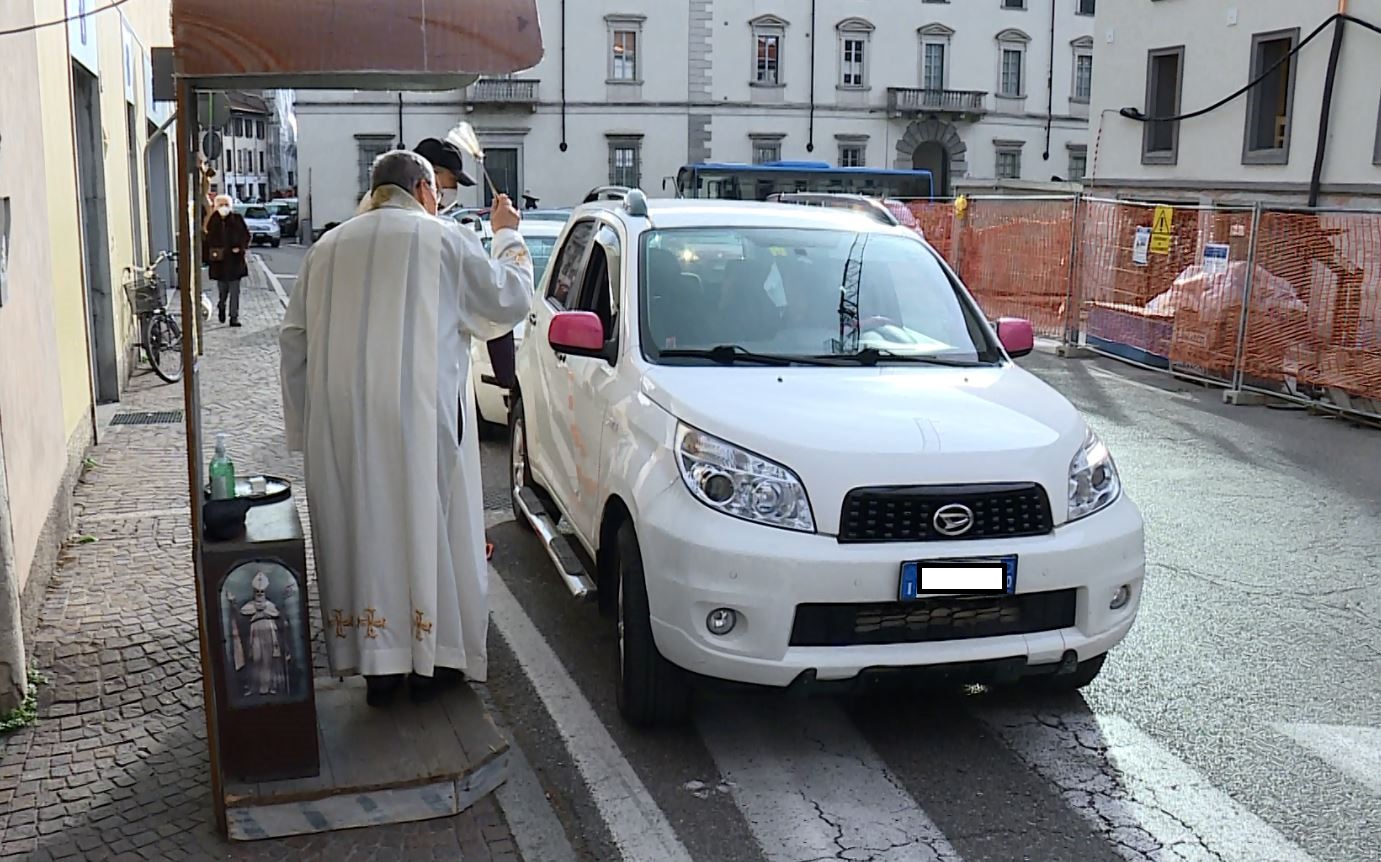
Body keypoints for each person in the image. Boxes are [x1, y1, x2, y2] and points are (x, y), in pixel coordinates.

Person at [279, 150, 533, 707]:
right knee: (424, 529)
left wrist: (307, 429)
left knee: (363, 531)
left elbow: (293, 340)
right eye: (437, 193)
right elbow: (507, 300)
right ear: (422, 188)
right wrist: (508, 237)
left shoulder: (326, 249)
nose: (438, 201)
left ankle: (379, 669)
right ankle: (430, 662)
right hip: (419, 421)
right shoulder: (440, 239)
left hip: (341, 424)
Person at [203, 195, 251, 326]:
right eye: (221, 204)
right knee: (223, 291)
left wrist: (240, 248)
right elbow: (207, 240)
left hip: (235, 262)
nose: (223, 207)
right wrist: (210, 255)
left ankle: (234, 317)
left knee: (235, 292)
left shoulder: (237, 219)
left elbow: (246, 236)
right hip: (220, 263)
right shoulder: (213, 221)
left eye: (226, 204)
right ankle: (221, 306)